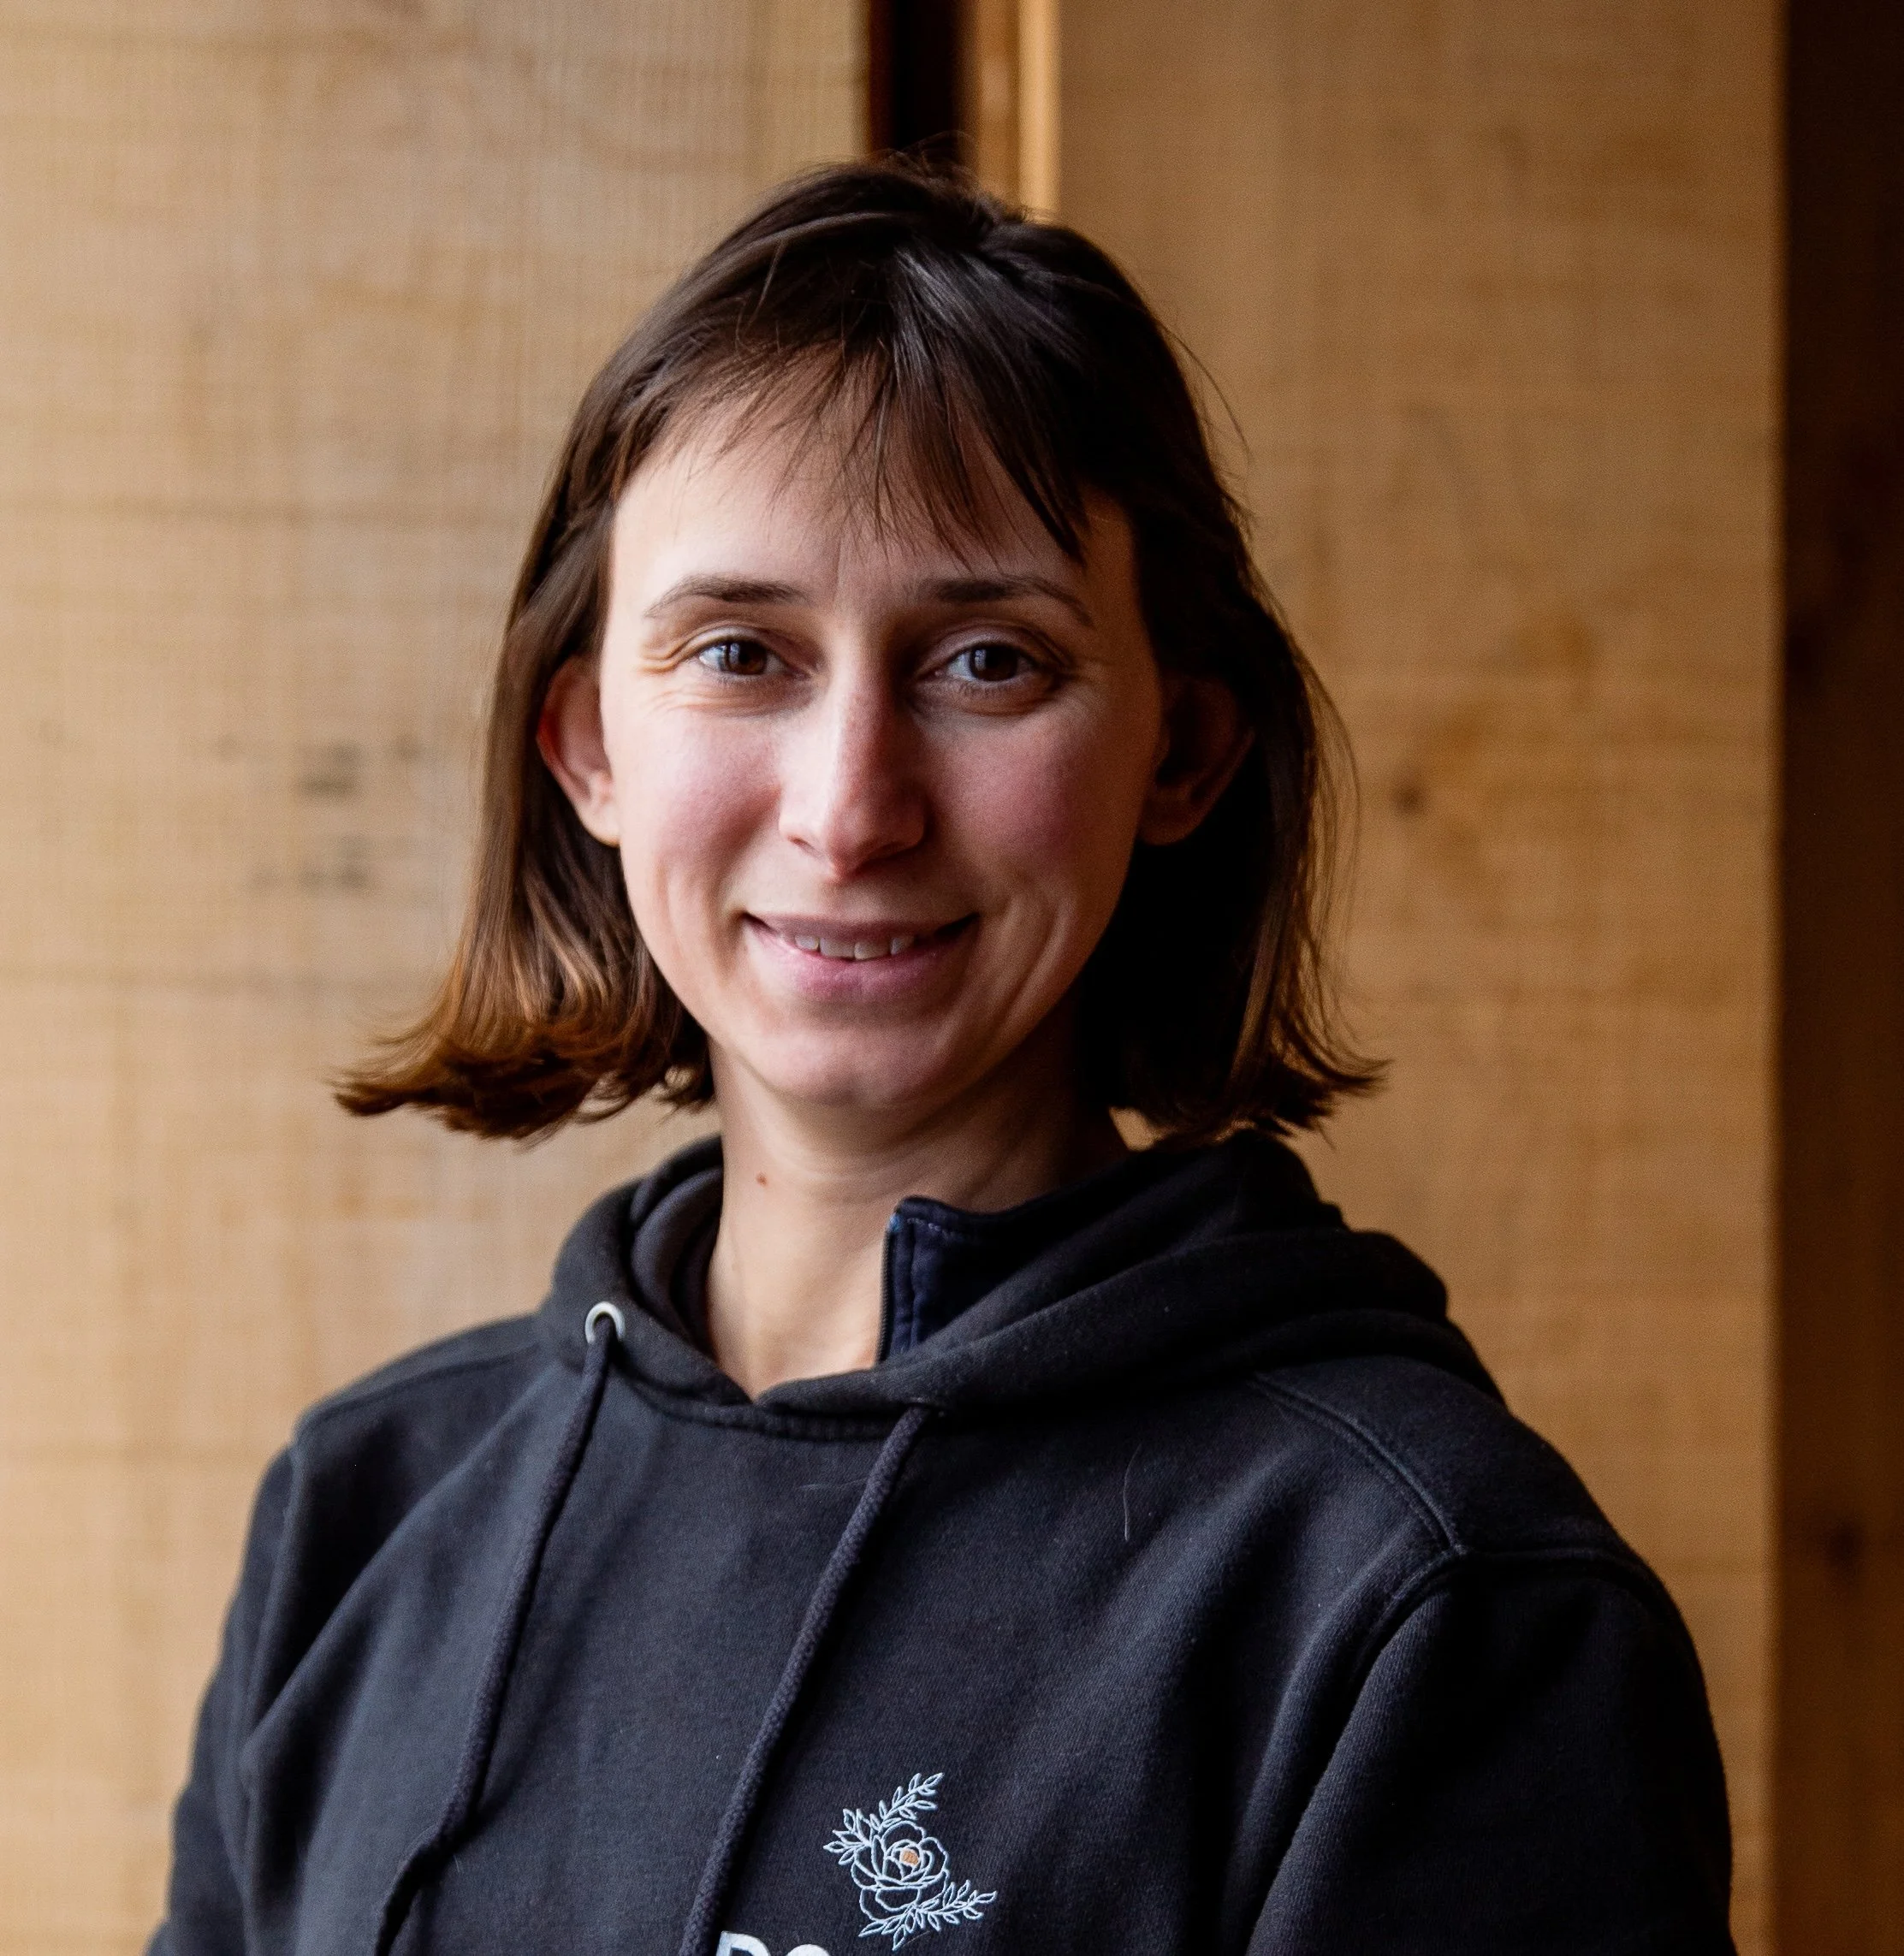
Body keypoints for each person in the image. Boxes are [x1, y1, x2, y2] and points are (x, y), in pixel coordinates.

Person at [150, 161, 1735, 1956]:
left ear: (1181, 751)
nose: (848, 809)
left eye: (986, 662)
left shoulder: (1419, 1602)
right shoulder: (370, 1512)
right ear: (588, 744)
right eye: (740, 652)